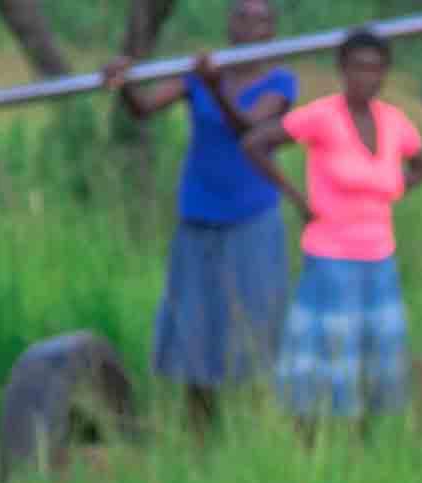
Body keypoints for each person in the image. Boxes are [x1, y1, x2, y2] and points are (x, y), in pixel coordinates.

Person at [101, 0, 300, 429]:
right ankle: (199, 431)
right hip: (198, 217)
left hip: (252, 219)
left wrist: (214, 88)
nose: (248, 26)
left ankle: (251, 429)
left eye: (259, 19)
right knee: (196, 325)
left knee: (251, 325)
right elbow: (143, 109)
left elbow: (249, 128)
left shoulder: (281, 82)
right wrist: (123, 81)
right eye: (240, 16)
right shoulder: (198, 74)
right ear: (229, 23)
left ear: (271, 30)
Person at [221, 29, 422, 421]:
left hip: (379, 255)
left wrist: (396, 187)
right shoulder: (322, 115)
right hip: (330, 254)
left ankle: (368, 433)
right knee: (330, 350)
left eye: (375, 69)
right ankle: (318, 431)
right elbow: (255, 143)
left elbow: (421, 165)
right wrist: (299, 201)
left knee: (376, 351)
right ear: (342, 70)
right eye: (358, 68)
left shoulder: (394, 121)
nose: (366, 77)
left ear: (385, 73)